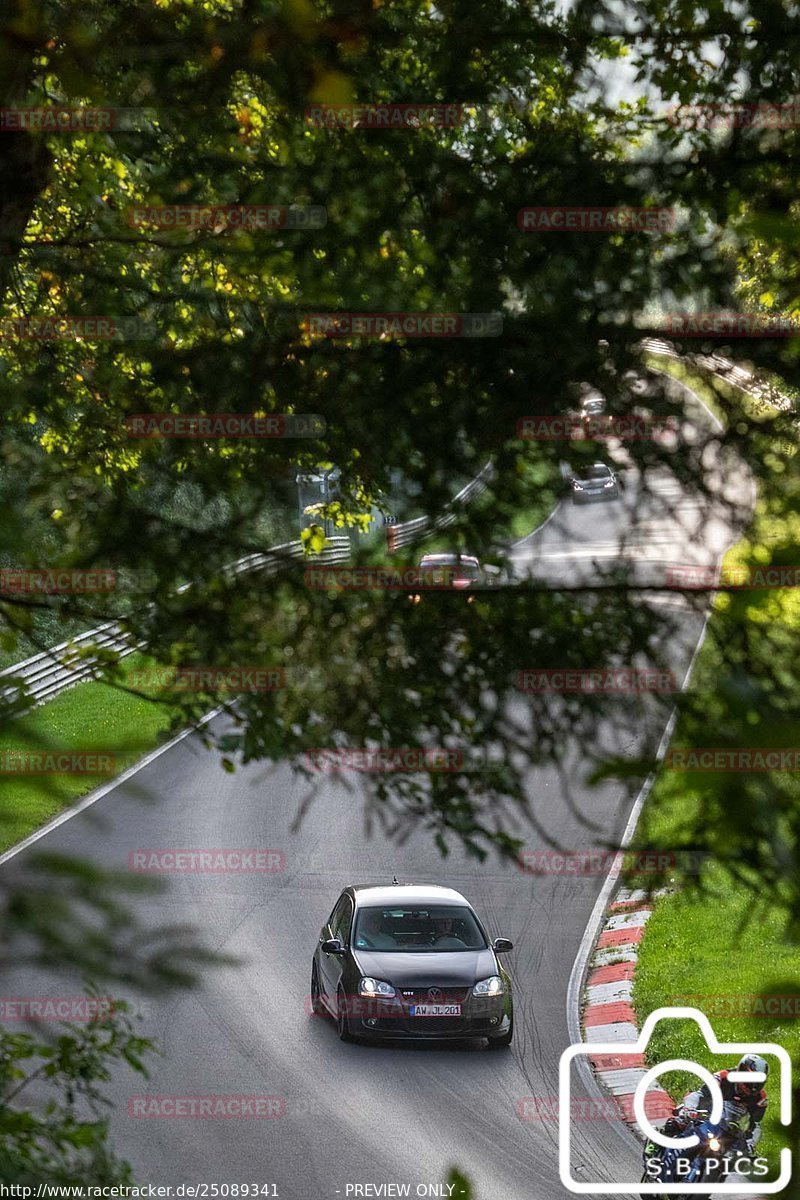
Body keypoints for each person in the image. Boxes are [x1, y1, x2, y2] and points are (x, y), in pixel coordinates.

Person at [662, 1055, 769, 1154]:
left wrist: (751, 1143)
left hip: (729, 1131)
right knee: (680, 1122)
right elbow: (699, 1095)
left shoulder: (761, 1099)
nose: (751, 1088)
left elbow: (756, 1125)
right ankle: (657, 1146)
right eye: (749, 1082)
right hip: (704, 1117)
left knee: (741, 1157)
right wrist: (690, 1109)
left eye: (757, 1084)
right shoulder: (721, 1078)